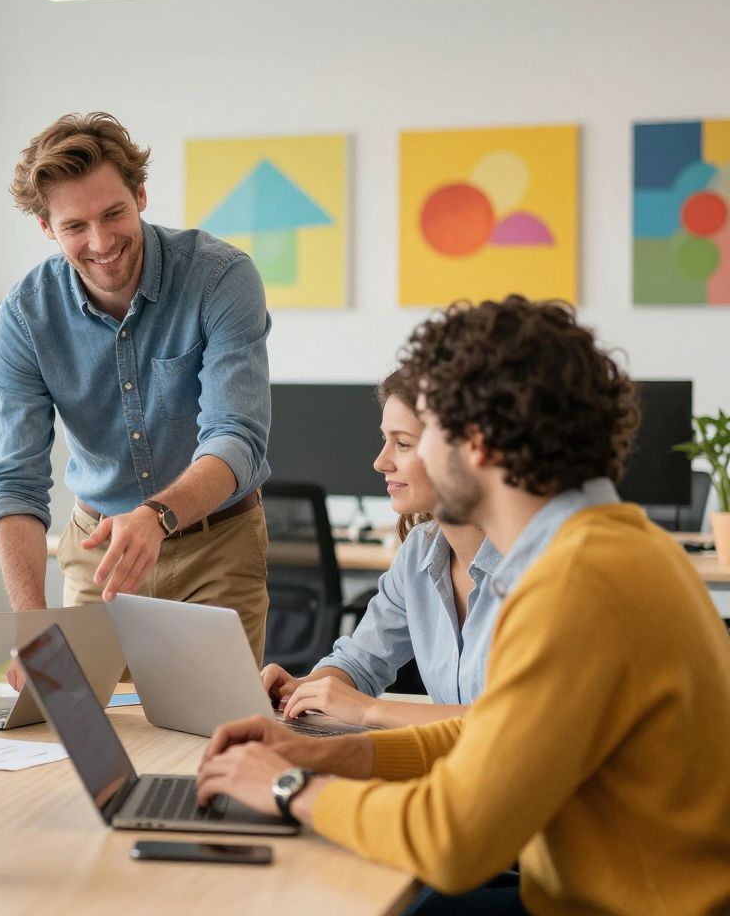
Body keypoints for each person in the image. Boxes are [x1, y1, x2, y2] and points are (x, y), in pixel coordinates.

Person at [195, 297, 730, 915]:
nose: (395, 458)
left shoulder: (579, 582)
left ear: (474, 441)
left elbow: (450, 840)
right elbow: (489, 733)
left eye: (426, 433)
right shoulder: (607, 548)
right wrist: (322, 752)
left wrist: (287, 786)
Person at [0, 111, 273, 672]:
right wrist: (30, 620)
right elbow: (15, 482)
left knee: (212, 740)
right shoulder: (24, 318)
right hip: (99, 557)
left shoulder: (220, 278)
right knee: (81, 733)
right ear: (47, 228)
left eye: (114, 213)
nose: (100, 242)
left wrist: (157, 515)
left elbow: (236, 438)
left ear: (140, 195)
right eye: (74, 226)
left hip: (217, 546)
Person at [262, 366, 503, 729]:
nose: (380, 462)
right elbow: (360, 661)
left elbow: (517, 722)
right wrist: (304, 689)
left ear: (467, 450)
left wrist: (368, 710)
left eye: (402, 443)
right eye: (385, 440)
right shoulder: (419, 553)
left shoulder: (534, 567)